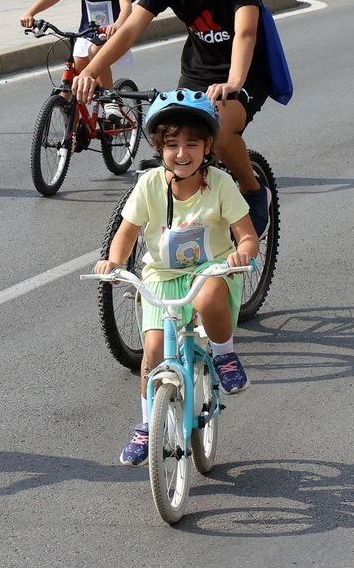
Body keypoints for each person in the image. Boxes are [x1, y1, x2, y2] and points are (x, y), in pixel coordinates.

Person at [71, 0, 271, 234]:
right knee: (174, 135)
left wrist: (233, 81)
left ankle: (252, 190)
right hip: (197, 70)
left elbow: (246, 33)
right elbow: (129, 30)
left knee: (218, 129)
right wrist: (91, 70)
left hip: (244, 72)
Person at [97, 90, 258, 465]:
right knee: (152, 353)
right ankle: (146, 426)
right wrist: (114, 263)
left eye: (191, 144)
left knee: (208, 296)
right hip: (161, 277)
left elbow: (247, 235)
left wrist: (242, 253)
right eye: (171, 144)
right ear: (159, 147)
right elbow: (127, 232)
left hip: (211, 272)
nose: (181, 153)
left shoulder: (220, 184)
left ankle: (224, 355)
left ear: (207, 146)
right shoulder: (150, 183)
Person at [18, 0, 134, 123]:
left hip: (113, 37)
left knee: (96, 50)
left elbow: (126, 5)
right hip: (86, 36)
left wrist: (118, 24)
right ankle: (71, 132)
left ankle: (110, 97)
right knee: (75, 82)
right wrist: (30, 13)